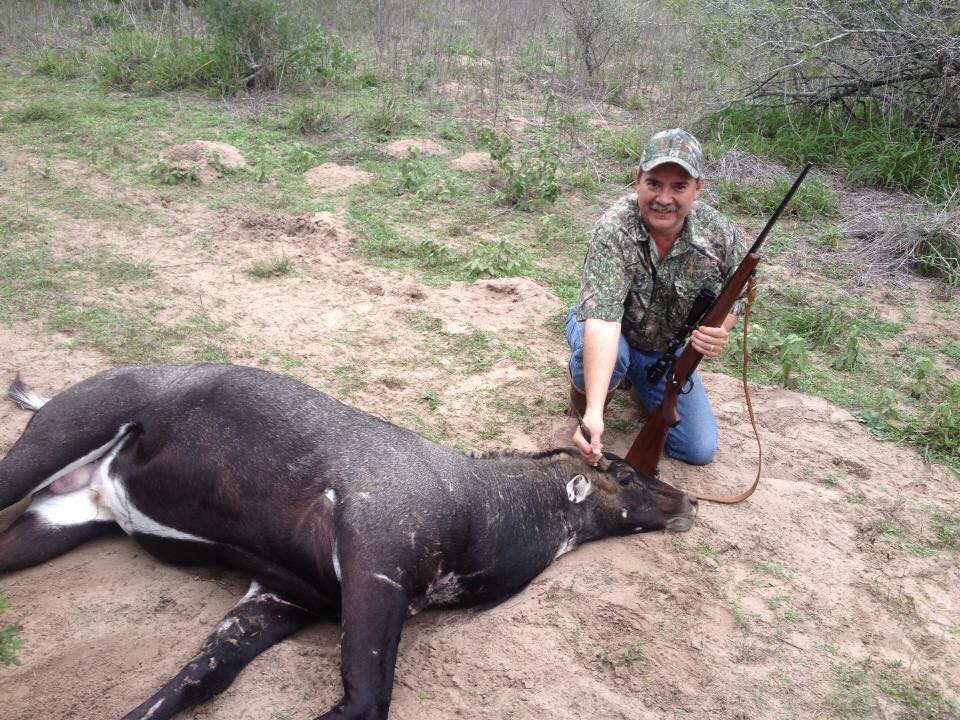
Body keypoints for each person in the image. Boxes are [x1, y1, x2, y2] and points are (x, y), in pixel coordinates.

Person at [566, 128, 747, 468]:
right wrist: (592, 413)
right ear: (638, 181)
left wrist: (721, 328)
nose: (664, 198)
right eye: (654, 183)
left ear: (697, 189)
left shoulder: (720, 233)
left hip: (664, 352)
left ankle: (636, 384)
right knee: (614, 355)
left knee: (698, 449)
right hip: (609, 331)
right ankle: (586, 397)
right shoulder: (614, 228)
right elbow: (604, 322)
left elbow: (738, 295)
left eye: (678, 186)